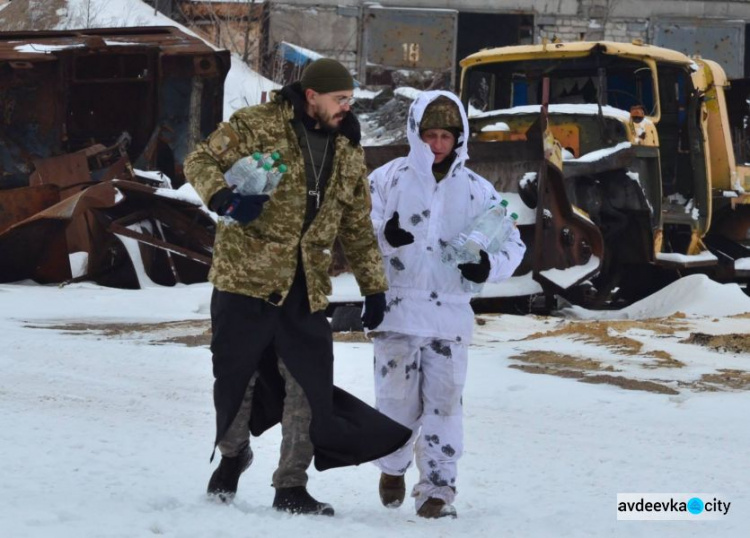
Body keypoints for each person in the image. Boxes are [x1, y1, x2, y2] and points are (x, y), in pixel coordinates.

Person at [184, 58, 411, 516]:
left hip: (305, 285)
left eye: (350, 99)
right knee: (236, 380)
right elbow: (199, 158)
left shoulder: (348, 152)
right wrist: (224, 197)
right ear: (312, 96)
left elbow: (356, 226)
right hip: (244, 278)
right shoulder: (258, 124)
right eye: (340, 99)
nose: (347, 107)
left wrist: (374, 287)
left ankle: (291, 485)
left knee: (309, 386)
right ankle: (233, 456)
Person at [367, 91, 526, 519]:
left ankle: (437, 489)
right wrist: (386, 235)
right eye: (429, 135)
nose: (437, 145)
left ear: (460, 139)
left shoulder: (478, 190)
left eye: (445, 136)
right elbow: (358, 227)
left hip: (450, 317)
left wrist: (487, 266)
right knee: (396, 403)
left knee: (444, 404)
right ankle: (393, 465)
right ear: (415, 135)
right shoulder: (388, 179)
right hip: (397, 311)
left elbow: (512, 241)